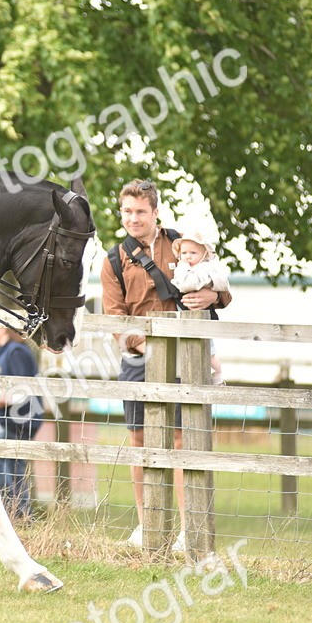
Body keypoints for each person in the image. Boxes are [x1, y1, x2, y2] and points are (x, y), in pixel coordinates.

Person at [99, 180, 232, 551]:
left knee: (182, 439)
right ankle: (148, 526)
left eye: (141, 211)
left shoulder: (183, 242)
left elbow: (221, 286)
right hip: (139, 359)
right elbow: (114, 318)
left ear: (155, 212)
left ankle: (189, 530)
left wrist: (213, 295)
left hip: (186, 354)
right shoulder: (113, 260)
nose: (133, 218)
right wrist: (147, 348)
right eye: (127, 211)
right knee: (139, 441)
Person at [0, 326, 44, 519]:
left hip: (16, 421)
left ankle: (17, 513)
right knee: (10, 467)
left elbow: (24, 387)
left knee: (3, 465)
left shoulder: (17, 351)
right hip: (3, 420)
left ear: (4, 328)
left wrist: (3, 400)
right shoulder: (3, 351)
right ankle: (18, 514)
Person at [171, 229, 230, 385]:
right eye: (184, 253)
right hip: (185, 317)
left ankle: (218, 376)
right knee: (196, 351)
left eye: (193, 253)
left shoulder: (203, 269)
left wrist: (182, 267)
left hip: (200, 316)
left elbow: (186, 284)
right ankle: (214, 375)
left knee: (208, 352)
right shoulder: (192, 269)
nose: (187, 256)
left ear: (204, 255)